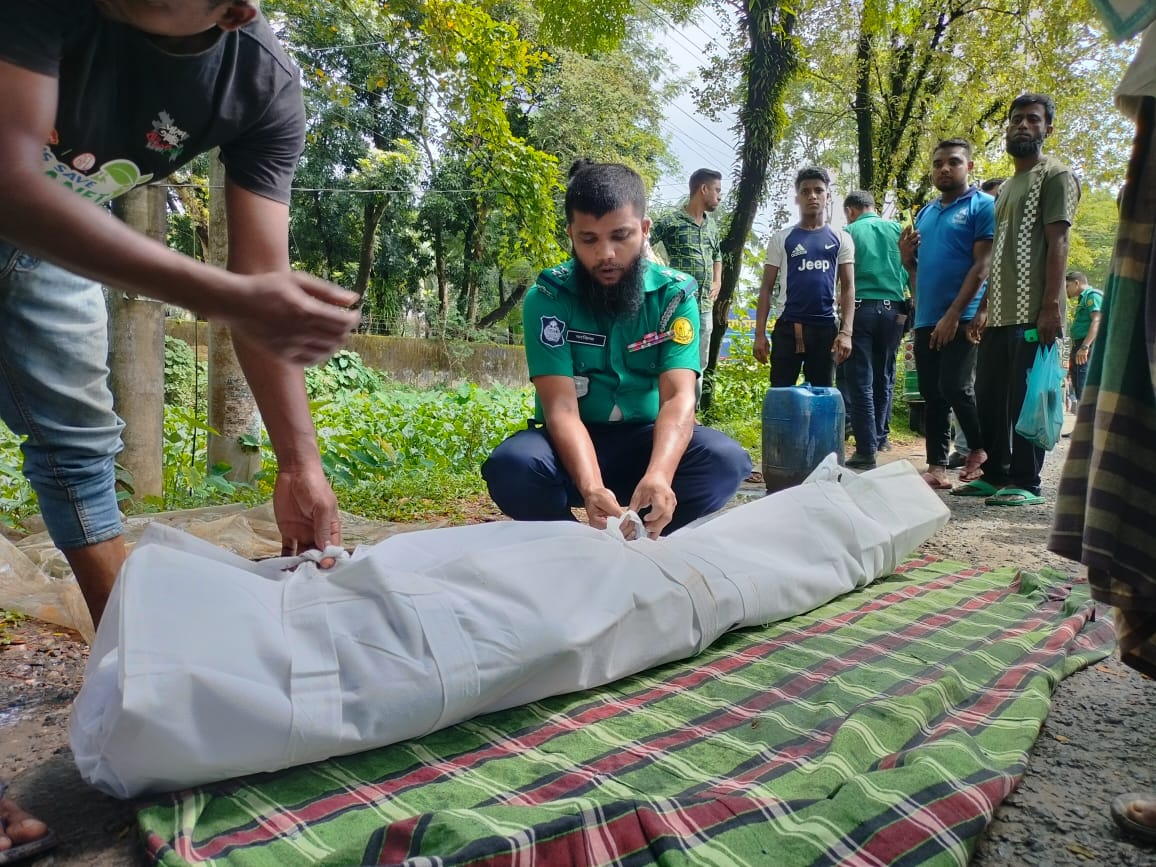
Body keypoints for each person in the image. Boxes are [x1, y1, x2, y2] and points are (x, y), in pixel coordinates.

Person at [0, 1, 361, 856]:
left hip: (49, 243)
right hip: (27, 197)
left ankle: (142, 680)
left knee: (83, 441)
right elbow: (10, 178)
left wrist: (300, 467)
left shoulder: (258, 85)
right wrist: (221, 291)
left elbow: (261, 285)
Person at [481, 162, 751, 539]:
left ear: (644, 231)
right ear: (571, 236)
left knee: (725, 461)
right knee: (513, 466)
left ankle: (654, 533)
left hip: (647, 440)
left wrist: (659, 474)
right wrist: (590, 486)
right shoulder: (548, 298)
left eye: (620, 236)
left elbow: (678, 397)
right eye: (588, 239)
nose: (605, 253)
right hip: (571, 444)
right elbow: (560, 408)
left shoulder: (675, 297)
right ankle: (572, 543)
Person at [959, 94, 1080, 505]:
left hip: (1035, 315)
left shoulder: (1056, 176)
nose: (1022, 126)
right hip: (999, 316)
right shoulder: (1007, 187)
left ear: (1048, 128)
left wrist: (1050, 306)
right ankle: (995, 474)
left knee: (1027, 399)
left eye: (1032, 120)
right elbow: (1000, 255)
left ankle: (1027, 482)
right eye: (1015, 120)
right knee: (992, 396)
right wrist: (986, 307)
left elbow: (1058, 240)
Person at [899, 139, 994, 491]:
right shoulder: (925, 212)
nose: (944, 168)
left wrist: (956, 314)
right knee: (931, 392)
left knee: (956, 385)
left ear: (968, 167)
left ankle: (981, 450)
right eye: (938, 163)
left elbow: (983, 265)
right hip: (926, 316)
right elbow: (919, 275)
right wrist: (907, 261)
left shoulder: (983, 206)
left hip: (963, 315)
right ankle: (937, 467)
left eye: (953, 162)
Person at [753, 167, 855, 388]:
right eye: (805, 191)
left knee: (821, 400)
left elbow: (848, 288)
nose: (812, 196)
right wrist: (759, 335)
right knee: (781, 397)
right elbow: (766, 289)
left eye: (819, 190)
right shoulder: (782, 238)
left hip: (825, 330)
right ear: (797, 198)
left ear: (828, 196)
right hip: (788, 329)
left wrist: (846, 332)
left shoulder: (841, 238)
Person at [839, 190, 907, 469]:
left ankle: (866, 449)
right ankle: (880, 438)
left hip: (861, 309)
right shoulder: (898, 230)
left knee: (860, 380)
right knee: (885, 375)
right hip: (896, 311)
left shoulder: (847, 232)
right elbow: (910, 267)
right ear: (873, 207)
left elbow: (842, 277)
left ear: (851, 211)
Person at [649, 168, 724, 402]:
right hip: (677, 306)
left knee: (698, 365)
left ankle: (691, 415)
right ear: (703, 189)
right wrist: (659, 270)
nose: (719, 197)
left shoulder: (712, 226)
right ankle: (666, 410)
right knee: (674, 359)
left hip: (704, 307)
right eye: (717, 190)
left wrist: (717, 280)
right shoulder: (671, 221)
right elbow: (643, 243)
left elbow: (718, 255)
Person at [948, 176, 1007, 468]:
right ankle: (967, 447)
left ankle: (993, 456)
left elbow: (992, 272)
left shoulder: (1011, 233)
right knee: (966, 384)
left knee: (988, 387)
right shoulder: (974, 229)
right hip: (971, 317)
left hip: (1002, 319)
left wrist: (984, 309)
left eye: (997, 200)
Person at [1064, 271, 1102, 403]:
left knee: (1084, 388)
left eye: (1067, 286)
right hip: (1079, 346)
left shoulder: (1092, 296)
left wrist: (1085, 346)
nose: (1065, 291)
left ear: (1076, 283)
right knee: (1079, 387)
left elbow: (1097, 320)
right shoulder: (1083, 299)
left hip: (1086, 346)